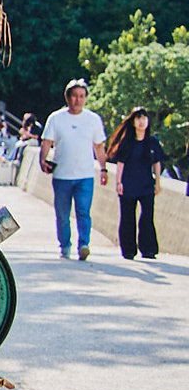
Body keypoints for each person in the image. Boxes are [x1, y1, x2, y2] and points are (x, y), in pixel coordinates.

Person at [41, 80, 108, 260]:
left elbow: (99, 146)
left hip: (85, 175)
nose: (78, 100)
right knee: (63, 215)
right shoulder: (56, 118)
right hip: (62, 175)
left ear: (85, 98)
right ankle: (65, 246)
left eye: (81, 96)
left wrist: (104, 169)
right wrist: (43, 160)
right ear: (67, 97)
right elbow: (47, 141)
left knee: (83, 212)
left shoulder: (93, 119)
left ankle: (84, 244)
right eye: (74, 96)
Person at [108, 106, 166, 260]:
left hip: (146, 184)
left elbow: (157, 163)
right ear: (133, 122)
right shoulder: (127, 141)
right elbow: (121, 163)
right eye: (138, 118)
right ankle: (128, 250)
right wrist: (118, 182)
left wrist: (158, 182)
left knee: (147, 216)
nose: (142, 122)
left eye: (144, 118)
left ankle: (148, 250)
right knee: (128, 217)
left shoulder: (153, 142)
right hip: (128, 184)